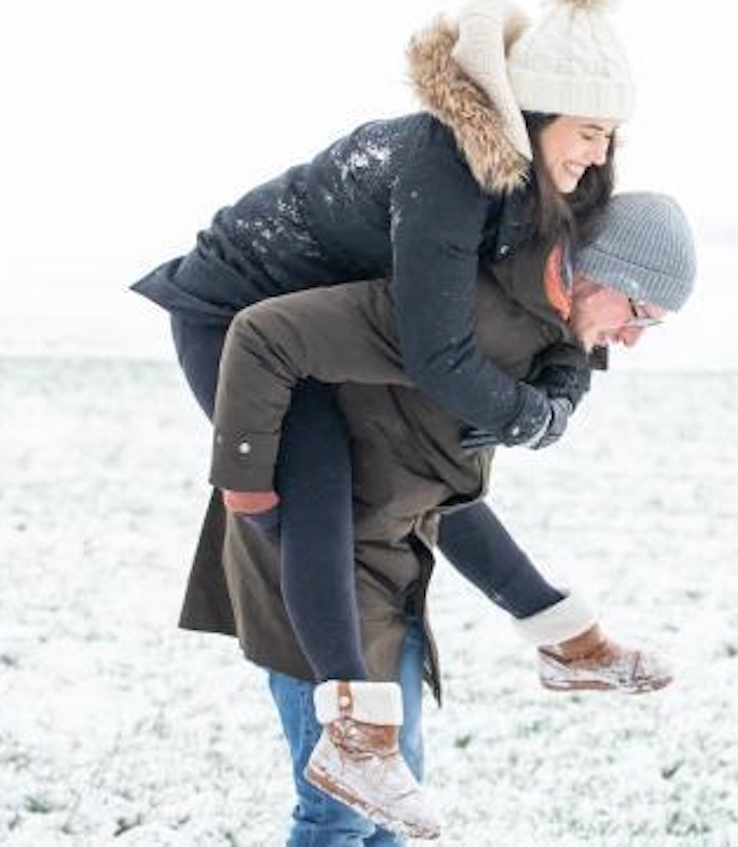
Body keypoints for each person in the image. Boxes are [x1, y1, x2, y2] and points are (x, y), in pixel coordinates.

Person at [129, 0, 655, 825]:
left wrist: (562, 386)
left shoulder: (539, 183)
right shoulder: (448, 164)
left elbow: (565, 292)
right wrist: (529, 418)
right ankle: (355, 735)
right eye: (588, 130)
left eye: (612, 135)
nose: (600, 153)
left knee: (418, 465)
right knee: (323, 480)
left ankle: (562, 636)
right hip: (236, 315)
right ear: (537, 113)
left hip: (316, 330)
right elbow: (439, 352)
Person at [180, 192, 697, 842]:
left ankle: (569, 642)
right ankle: (568, 644)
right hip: (313, 567)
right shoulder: (453, 315)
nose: (630, 339)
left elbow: (446, 490)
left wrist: (557, 397)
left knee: (398, 794)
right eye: (639, 315)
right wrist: (247, 482)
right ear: (595, 273)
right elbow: (265, 335)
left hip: (395, 553)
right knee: (339, 808)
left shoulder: (538, 325)